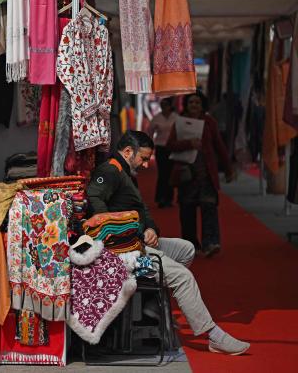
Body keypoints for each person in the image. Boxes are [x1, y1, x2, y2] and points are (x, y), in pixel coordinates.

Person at [86, 130, 249, 355]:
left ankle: (152, 303)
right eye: (143, 159)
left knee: (187, 249)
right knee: (182, 277)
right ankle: (213, 335)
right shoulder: (110, 172)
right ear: (127, 151)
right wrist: (113, 232)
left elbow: (142, 209)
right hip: (125, 252)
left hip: (137, 241)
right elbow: (94, 200)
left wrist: (151, 228)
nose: (145, 165)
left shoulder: (125, 172)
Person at [167, 92, 234, 257]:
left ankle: (210, 243)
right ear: (186, 105)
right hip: (186, 175)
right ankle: (191, 246)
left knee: (209, 208)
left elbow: (219, 146)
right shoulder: (180, 122)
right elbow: (170, 145)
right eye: (191, 103)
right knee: (187, 211)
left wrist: (228, 169)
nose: (194, 105)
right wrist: (188, 143)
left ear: (202, 105)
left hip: (206, 175)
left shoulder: (209, 122)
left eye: (197, 102)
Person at [148, 97, 177, 208]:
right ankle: (160, 198)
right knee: (162, 173)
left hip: (172, 148)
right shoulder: (157, 118)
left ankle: (169, 199)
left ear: (170, 106)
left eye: (166, 105)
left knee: (170, 173)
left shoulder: (176, 117)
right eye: (162, 105)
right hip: (160, 148)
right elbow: (150, 131)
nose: (164, 107)